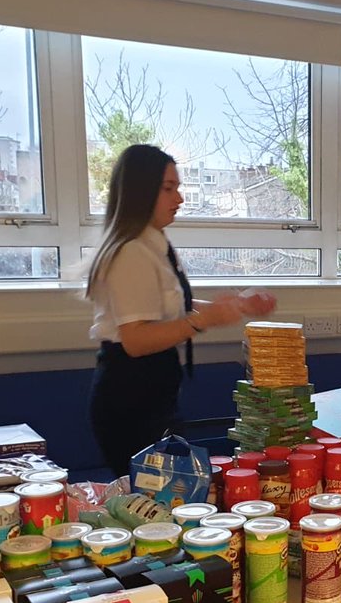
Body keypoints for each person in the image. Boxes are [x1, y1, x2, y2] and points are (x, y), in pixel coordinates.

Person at [86, 144, 277, 477]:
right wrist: (205, 320)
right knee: (153, 499)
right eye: (168, 189)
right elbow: (136, 339)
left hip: (153, 391)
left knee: (169, 491)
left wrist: (237, 306)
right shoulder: (131, 252)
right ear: (140, 191)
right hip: (130, 396)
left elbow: (170, 307)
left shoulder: (153, 245)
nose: (180, 198)